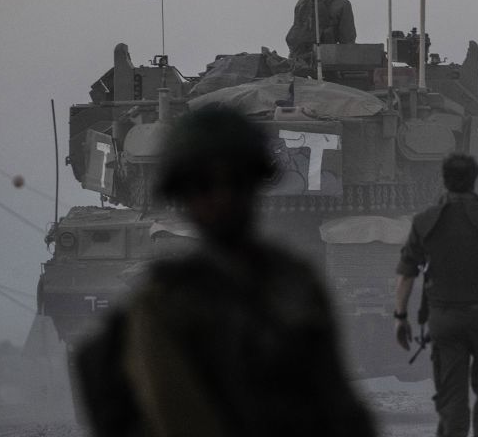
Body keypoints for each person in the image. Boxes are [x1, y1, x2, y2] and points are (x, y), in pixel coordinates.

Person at [96, 106, 377, 437]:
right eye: (203, 186)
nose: (222, 198)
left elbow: (338, 403)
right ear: (184, 195)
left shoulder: (296, 283)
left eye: (236, 181)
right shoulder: (162, 303)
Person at [394, 153, 478, 437]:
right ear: (475, 180)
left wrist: (401, 317)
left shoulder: (425, 220)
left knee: (451, 397)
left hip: (444, 318)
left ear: (444, 180)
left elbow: (406, 275)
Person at [286, 0, 357, 67]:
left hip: (297, 62)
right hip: (325, 64)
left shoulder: (304, 0)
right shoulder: (343, 4)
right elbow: (347, 43)